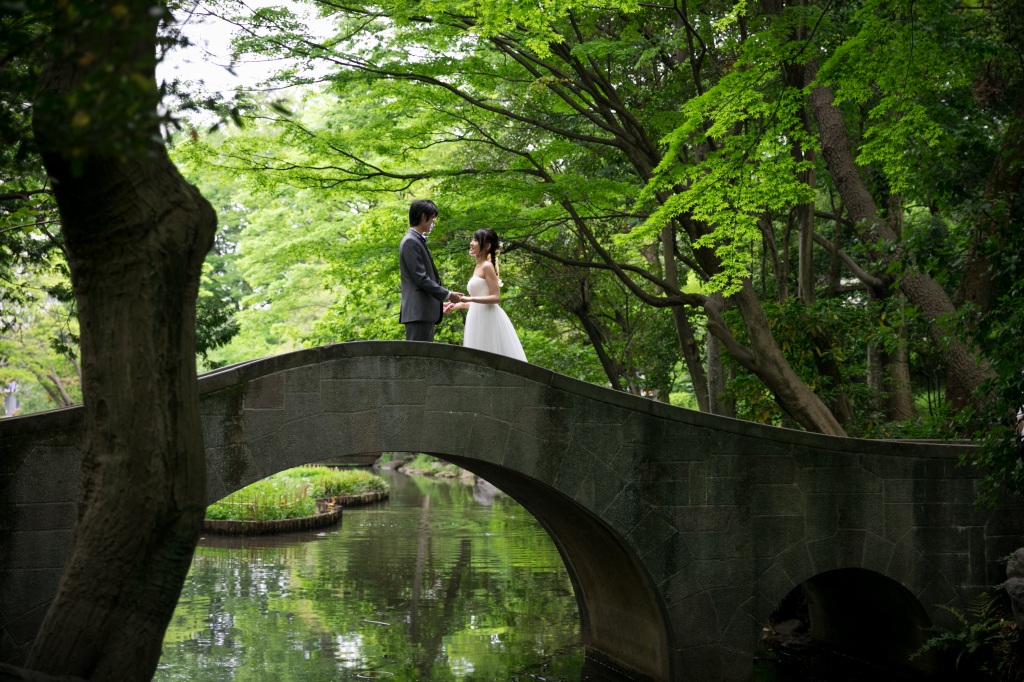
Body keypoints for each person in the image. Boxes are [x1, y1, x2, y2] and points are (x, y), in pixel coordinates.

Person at [447, 228, 527, 361]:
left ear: (487, 246)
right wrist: (458, 305)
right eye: (472, 239)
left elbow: (496, 298)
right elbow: (479, 303)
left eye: (476, 240)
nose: (471, 243)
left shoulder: (487, 266)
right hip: (476, 317)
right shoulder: (477, 267)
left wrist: (470, 298)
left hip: (488, 318)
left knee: (490, 356)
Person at [399, 199, 462, 341]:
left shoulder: (415, 240)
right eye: (433, 218)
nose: (434, 222)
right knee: (418, 358)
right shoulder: (411, 242)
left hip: (422, 312)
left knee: (422, 358)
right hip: (418, 313)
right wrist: (448, 294)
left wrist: (438, 303)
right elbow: (421, 278)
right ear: (423, 216)